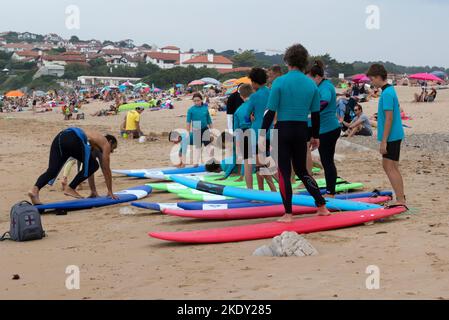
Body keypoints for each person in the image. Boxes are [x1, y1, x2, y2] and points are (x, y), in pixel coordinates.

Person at [261, 43, 330, 222]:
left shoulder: (279, 82)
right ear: (304, 62)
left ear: (287, 60)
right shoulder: (311, 84)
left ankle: (288, 214)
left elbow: (270, 112)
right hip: (301, 130)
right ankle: (322, 206)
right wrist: (315, 136)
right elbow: (315, 114)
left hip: (283, 130)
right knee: (302, 171)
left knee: (284, 172)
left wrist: (262, 134)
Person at [28, 128, 118, 205]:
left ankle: (34, 191)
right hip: (73, 137)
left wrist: (93, 191)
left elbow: (87, 169)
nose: (112, 151)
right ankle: (71, 188)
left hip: (60, 137)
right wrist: (110, 191)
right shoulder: (105, 143)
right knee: (94, 165)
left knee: (52, 171)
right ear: (110, 142)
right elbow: (106, 169)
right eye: (113, 148)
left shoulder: (91, 142)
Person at [367, 64, 406, 206]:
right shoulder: (389, 90)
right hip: (394, 134)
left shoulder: (388, 93)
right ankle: (401, 197)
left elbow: (389, 118)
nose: (371, 82)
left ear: (378, 77)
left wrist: (384, 141)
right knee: (391, 166)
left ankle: (401, 199)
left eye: (372, 79)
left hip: (392, 136)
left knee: (390, 167)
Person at [307, 60, 341, 197]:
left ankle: (330, 192)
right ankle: (329, 190)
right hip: (323, 129)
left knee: (327, 161)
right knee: (326, 160)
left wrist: (311, 111)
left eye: (309, 78)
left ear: (317, 76)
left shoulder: (326, 86)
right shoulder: (318, 86)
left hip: (329, 129)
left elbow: (324, 102)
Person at [247, 67, 277, 192]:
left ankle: (268, 192)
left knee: (260, 165)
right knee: (267, 163)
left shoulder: (254, 97)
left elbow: (246, 114)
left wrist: (251, 115)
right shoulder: (272, 93)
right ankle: (265, 192)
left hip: (258, 132)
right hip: (271, 131)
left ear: (254, 82)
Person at [187, 93, 213, 167]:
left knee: (208, 146)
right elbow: (188, 122)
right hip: (196, 129)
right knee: (198, 147)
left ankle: (211, 162)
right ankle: (196, 163)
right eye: (194, 101)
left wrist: (212, 131)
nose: (196, 102)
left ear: (201, 100)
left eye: (198, 100)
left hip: (205, 128)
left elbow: (209, 120)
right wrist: (188, 132)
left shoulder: (205, 108)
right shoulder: (191, 110)